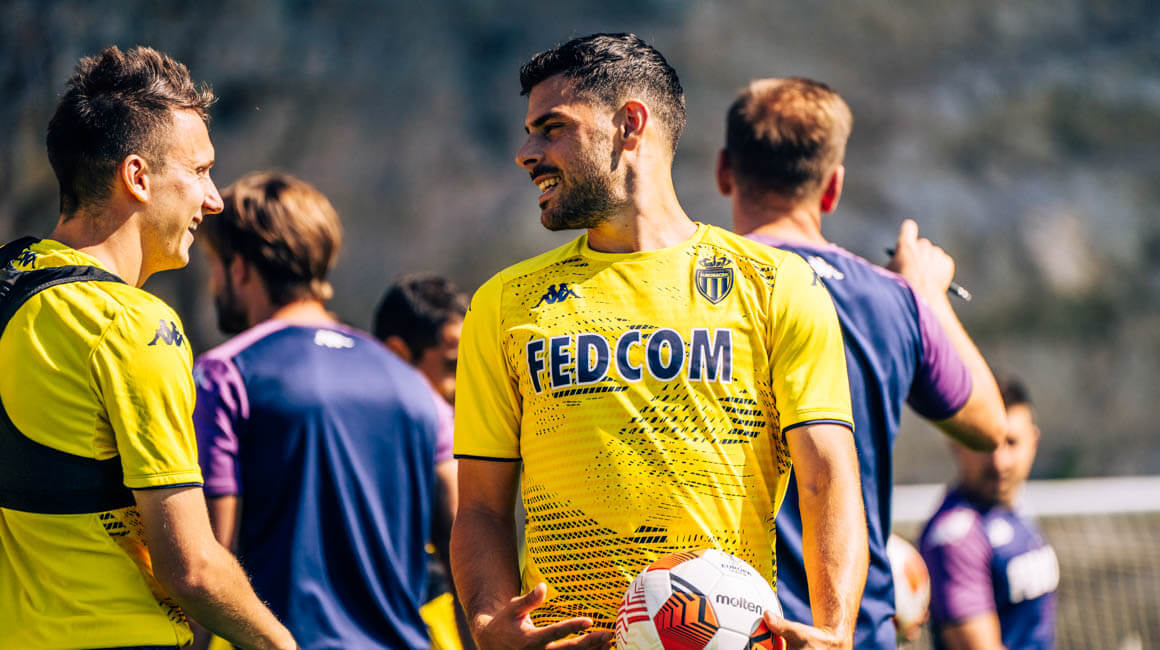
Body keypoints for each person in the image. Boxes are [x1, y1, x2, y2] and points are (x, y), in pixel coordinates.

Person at [450, 34, 868, 650]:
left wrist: (836, 631)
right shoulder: (505, 303)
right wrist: (489, 625)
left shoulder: (774, 284)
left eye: (552, 128)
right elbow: (481, 507)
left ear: (630, 124)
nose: (525, 154)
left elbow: (827, 476)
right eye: (529, 133)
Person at [0, 46, 295, 649]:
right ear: (137, 177)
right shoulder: (131, 326)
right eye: (199, 171)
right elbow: (192, 568)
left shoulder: (10, 284)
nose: (214, 200)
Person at [718, 77, 1006, 649]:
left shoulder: (693, 288)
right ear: (833, 188)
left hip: (722, 627)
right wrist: (927, 296)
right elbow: (988, 425)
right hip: (849, 631)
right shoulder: (892, 299)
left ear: (725, 171)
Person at [190, 171, 442, 649]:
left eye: (213, 265)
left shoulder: (226, 374)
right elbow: (459, 539)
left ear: (239, 267)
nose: (214, 282)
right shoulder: (409, 382)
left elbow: (206, 566)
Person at [373, 274, 474, 649]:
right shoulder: (433, 417)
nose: (464, 382)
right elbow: (462, 546)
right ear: (398, 353)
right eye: (451, 365)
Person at [919, 377, 1058, 650]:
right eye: (984, 444)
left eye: (1011, 443)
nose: (999, 462)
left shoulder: (1014, 505)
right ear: (956, 443)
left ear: (1033, 442)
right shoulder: (955, 538)